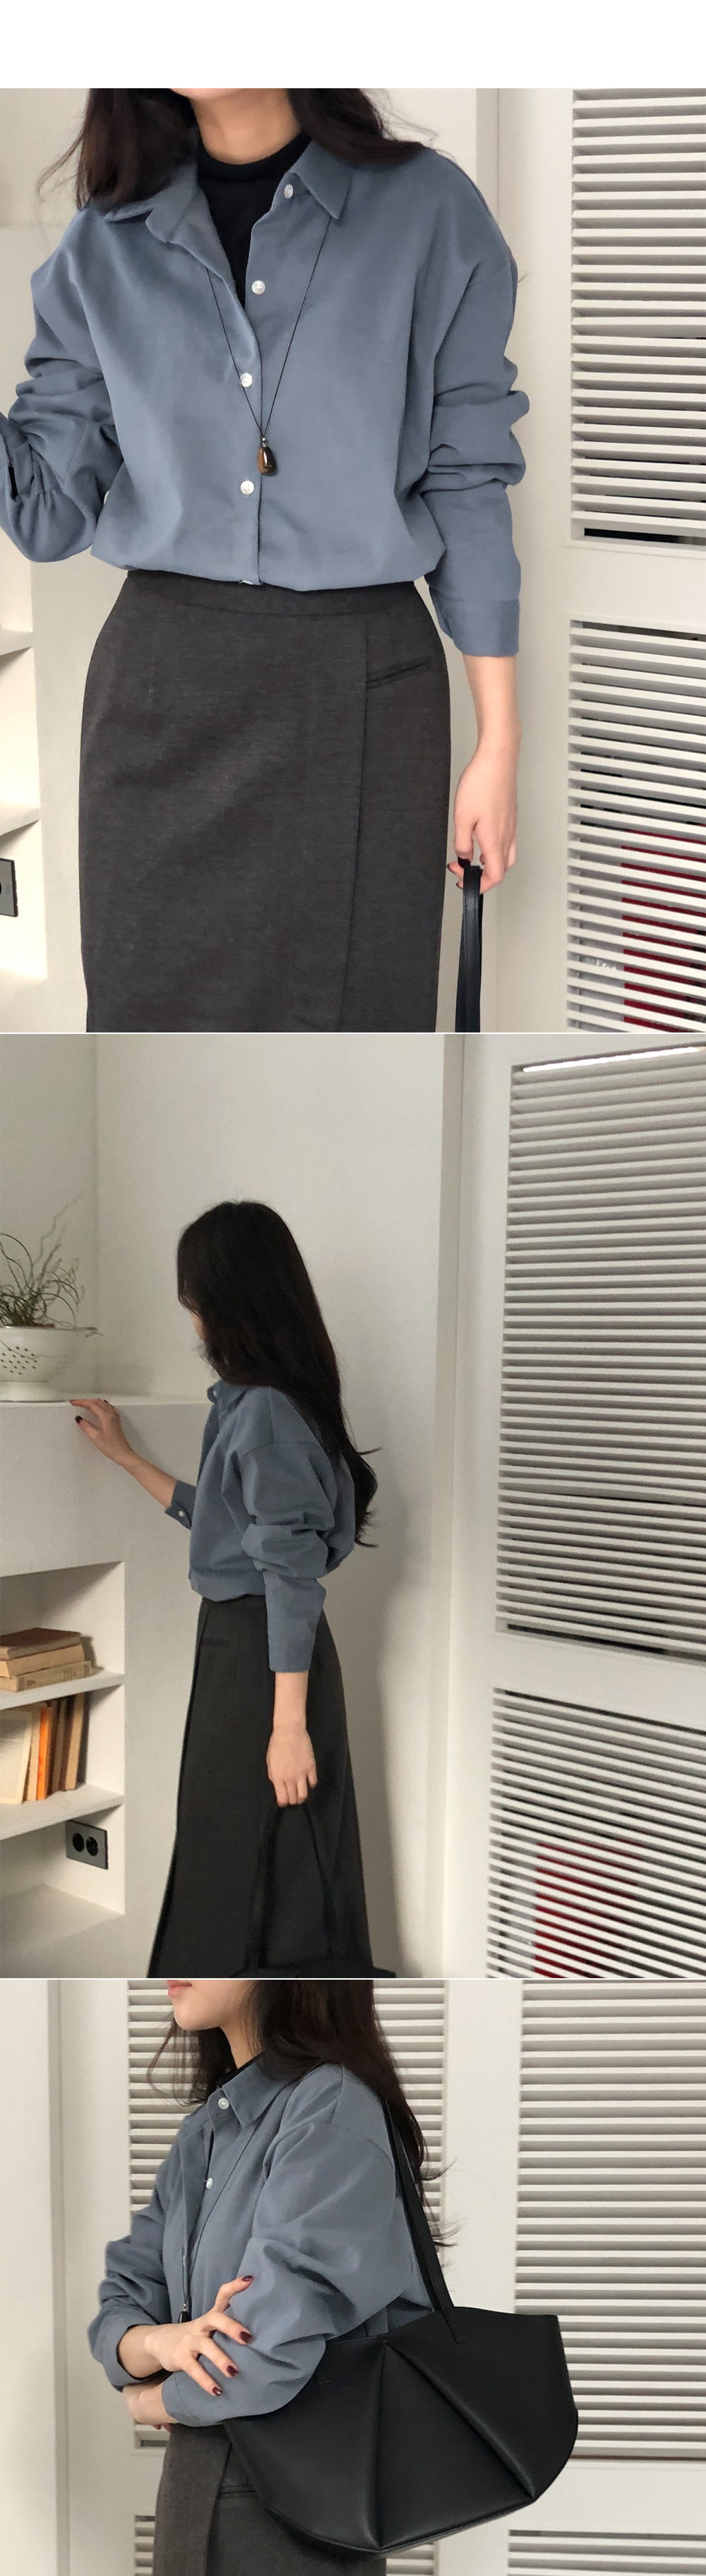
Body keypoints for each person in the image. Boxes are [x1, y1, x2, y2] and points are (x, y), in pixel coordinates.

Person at [0, 87, 527, 1034]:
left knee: (355, 1039)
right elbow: (46, 516)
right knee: (148, 1043)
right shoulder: (103, 243)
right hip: (159, 701)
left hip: (361, 692)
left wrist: (499, 744)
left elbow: (468, 479)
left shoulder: (429, 211)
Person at [88, 1978, 431, 2576]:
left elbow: (259, 2354)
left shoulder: (333, 2109)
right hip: (201, 2491)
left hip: (294, 2515)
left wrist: (149, 2393)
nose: (175, 1962)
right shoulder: (208, 2133)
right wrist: (159, 2341)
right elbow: (120, 2301)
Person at [72, 1201, 375, 1971]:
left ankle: (258, 2010)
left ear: (230, 1303)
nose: (194, 1320)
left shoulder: (266, 1411)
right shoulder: (256, 1402)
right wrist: (128, 1459)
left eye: (196, 1301)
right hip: (245, 1646)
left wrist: (287, 1726)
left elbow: (289, 1579)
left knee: (253, 1859)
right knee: (239, 1849)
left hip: (263, 1657)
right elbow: (227, 1524)